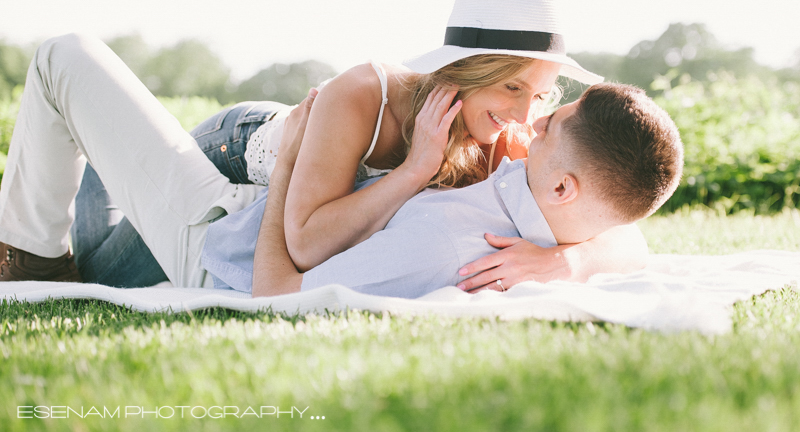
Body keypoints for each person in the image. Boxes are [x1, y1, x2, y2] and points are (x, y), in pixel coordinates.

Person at [0, 0, 646, 289]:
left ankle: (38, 257)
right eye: (511, 88)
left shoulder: (502, 135)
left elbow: (615, 203)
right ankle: (26, 250)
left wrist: (568, 258)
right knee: (69, 56)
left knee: (93, 277)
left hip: (243, 221)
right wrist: (412, 170)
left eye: (540, 96)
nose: (524, 112)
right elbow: (304, 242)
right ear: (464, 70)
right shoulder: (366, 93)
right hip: (231, 159)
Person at [247, 82, 683, 297]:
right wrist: (569, 261)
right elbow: (630, 234)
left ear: (564, 187)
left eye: (550, 126)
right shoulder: (566, 218)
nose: (533, 121)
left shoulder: (442, 243)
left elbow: (275, 293)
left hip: (218, 232)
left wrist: (288, 159)